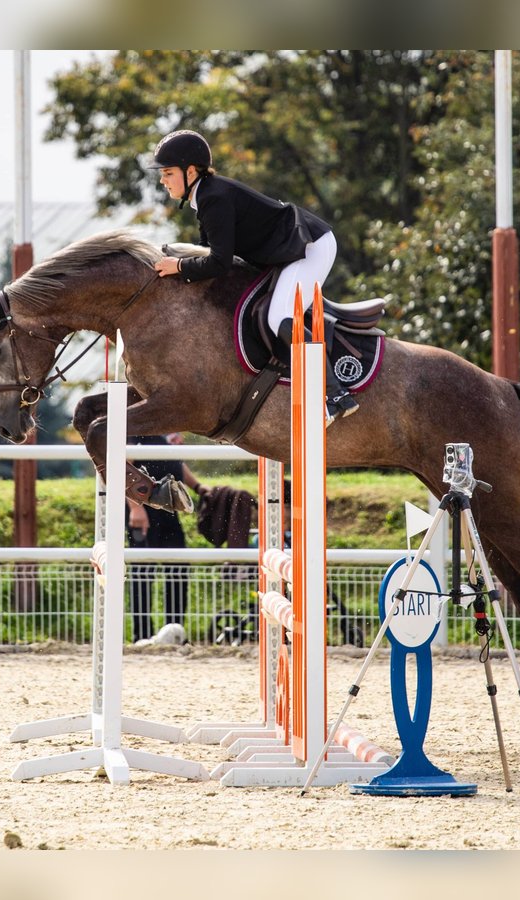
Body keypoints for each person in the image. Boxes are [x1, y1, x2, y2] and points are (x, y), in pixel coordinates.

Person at [148, 129, 359, 426]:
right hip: (292, 251)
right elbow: (213, 254)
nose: (163, 180)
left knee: (279, 317)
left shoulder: (213, 198)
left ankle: (336, 394)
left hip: (310, 247)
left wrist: (179, 267)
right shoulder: (205, 196)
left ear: (190, 171)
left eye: (168, 173)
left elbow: (219, 263)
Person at [125, 433, 206, 643]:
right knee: (143, 571)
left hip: (168, 509)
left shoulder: (162, 431)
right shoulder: (134, 428)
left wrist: (198, 487)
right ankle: (141, 635)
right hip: (143, 511)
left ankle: (175, 631)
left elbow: (175, 463)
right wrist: (135, 508)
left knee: (178, 566)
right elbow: (122, 467)